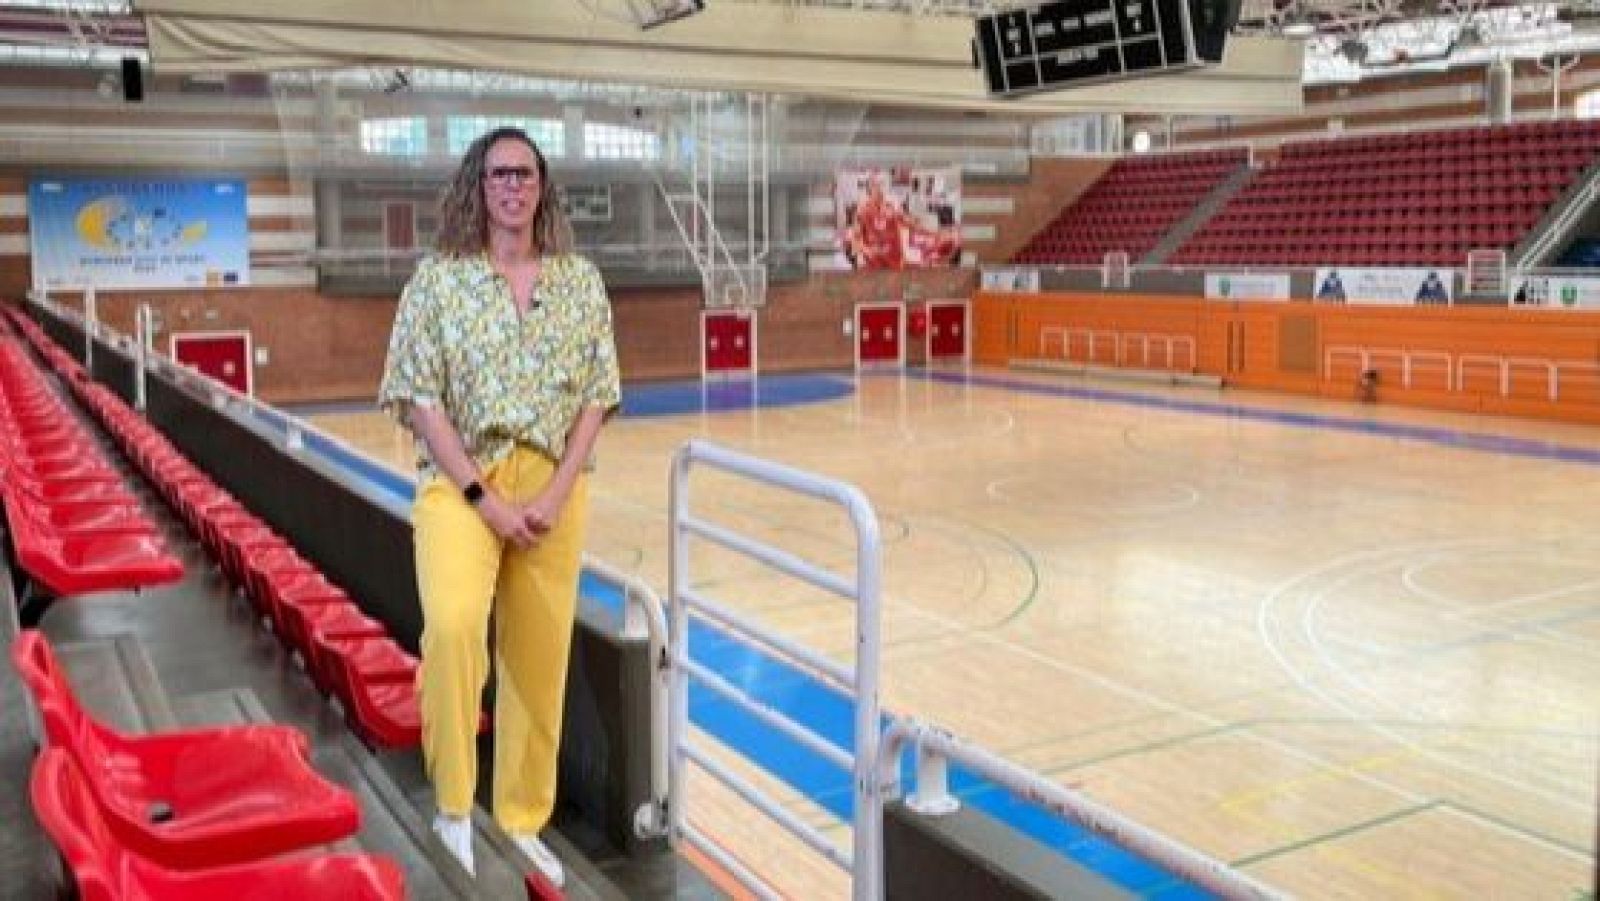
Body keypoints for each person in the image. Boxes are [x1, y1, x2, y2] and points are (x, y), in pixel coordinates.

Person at [378, 126, 620, 887]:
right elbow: (420, 398)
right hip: (461, 482)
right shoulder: (439, 280)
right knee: (453, 629)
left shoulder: (580, 281)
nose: (512, 185)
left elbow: (596, 397)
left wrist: (552, 492)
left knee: (538, 662)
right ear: (477, 188)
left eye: (525, 172)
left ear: (541, 185)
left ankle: (522, 818)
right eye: (498, 174)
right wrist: (485, 497)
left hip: (553, 486)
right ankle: (453, 807)